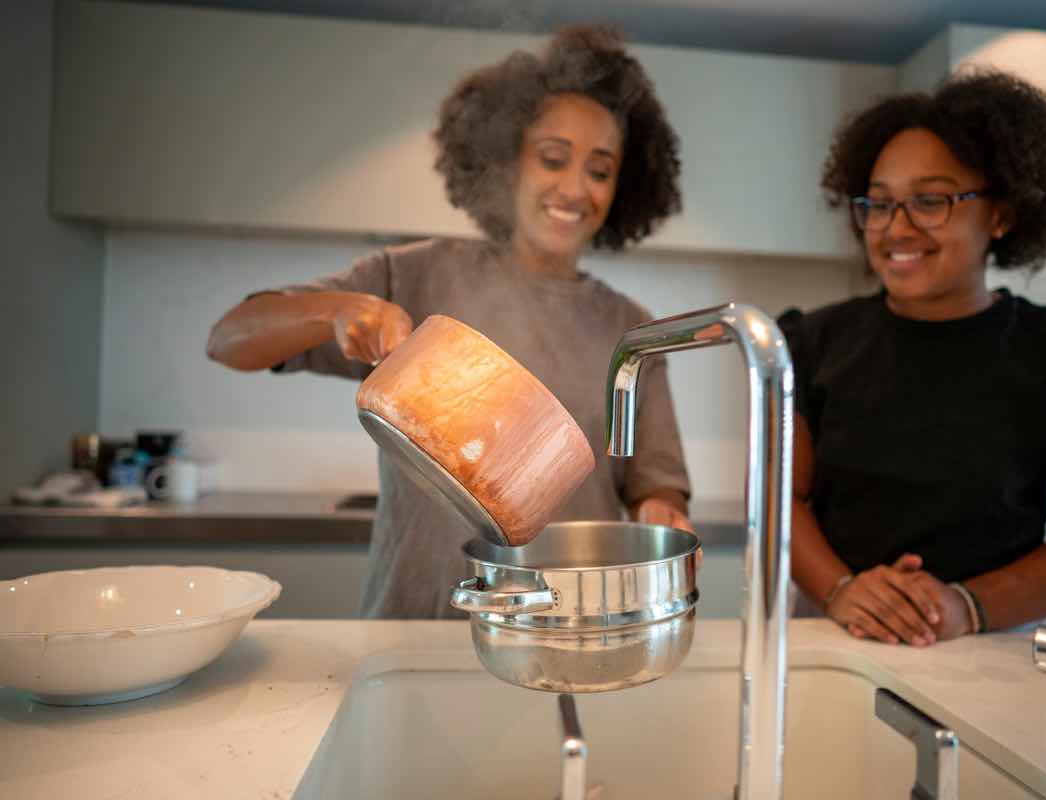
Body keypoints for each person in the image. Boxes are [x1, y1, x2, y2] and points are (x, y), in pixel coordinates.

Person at [207, 25, 693, 618]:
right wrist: (338, 310)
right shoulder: (412, 276)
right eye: (552, 158)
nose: (574, 187)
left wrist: (660, 514)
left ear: (623, 187)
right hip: (412, 623)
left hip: (560, 630)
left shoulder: (631, 331)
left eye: (600, 169)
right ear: (508, 159)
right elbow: (229, 339)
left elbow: (653, 484)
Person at [779, 70, 1046, 645]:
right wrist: (844, 590)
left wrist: (967, 605)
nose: (895, 229)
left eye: (930, 201)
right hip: (838, 640)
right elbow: (781, 503)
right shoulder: (812, 344)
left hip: (996, 647)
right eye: (878, 205)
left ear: (1001, 214)